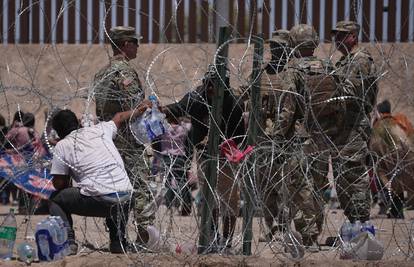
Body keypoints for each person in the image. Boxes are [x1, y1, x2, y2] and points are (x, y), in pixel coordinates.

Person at [49, 101, 150, 255]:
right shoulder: (99, 130)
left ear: (58, 132)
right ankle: (118, 241)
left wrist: (68, 171)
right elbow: (120, 116)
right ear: (78, 122)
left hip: (102, 200)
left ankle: (67, 242)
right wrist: (140, 108)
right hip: (127, 197)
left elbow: (58, 184)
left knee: (55, 199)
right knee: (112, 191)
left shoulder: (62, 145)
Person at [164, 65, 245, 252]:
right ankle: (212, 237)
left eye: (215, 85)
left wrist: (227, 144)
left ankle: (226, 241)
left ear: (224, 85)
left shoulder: (233, 103)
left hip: (226, 157)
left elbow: (240, 133)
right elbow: (178, 108)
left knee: (229, 201)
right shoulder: (197, 98)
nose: (210, 89)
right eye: (208, 84)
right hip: (204, 154)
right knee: (209, 199)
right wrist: (161, 109)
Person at [275, 24, 335, 252]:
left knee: (301, 186)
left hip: (300, 137)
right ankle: (315, 233)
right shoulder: (328, 68)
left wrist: (278, 136)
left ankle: (307, 236)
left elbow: (288, 109)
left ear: (293, 44)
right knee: (318, 185)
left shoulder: (293, 70)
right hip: (323, 136)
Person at [93, 26, 155, 248]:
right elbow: (132, 108)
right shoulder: (124, 72)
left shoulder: (101, 73)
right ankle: (146, 238)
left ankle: (116, 238)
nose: (138, 46)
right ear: (126, 44)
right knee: (141, 189)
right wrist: (146, 106)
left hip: (109, 140)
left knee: (115, 190)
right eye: (136, 42)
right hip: (129, 141)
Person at [332, 21, 379, 224]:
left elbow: (351, 93)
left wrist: (326, 91)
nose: (336, 40)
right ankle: (353, 221)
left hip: (354, 126)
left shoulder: (360, 61)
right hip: (340, 127)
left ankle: (361, 222)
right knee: (342, 177)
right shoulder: (344, 62)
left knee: (354, 175)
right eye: (336, 36)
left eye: (341, 35)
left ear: (353, 36)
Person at [255, 29, 292, 242]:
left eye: (281, 46)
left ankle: (288, 228)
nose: (276, 50)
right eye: (274, 46)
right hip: (264, 139)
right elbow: (246, 94)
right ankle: (272, 226)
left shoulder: (293, 73)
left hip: (288, 139)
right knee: (266, 186)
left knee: (287, 186)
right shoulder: (261, 74)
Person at [370, 100, 414, 219]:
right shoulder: (399, 121)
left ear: (378, 112)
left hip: (392, 160)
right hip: (408, 159)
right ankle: (396, 211)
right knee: (398, 183)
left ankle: (393, 210)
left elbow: (374, 146)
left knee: (387, 180)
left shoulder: (380, 125)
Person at [158, 116, 192, 216]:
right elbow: (190, 124)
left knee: (167, 183)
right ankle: (186, 205)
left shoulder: (164, 127)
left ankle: (169, 206)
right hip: (180, 157)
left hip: (166, 157)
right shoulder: (184, 127)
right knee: (183, 183)